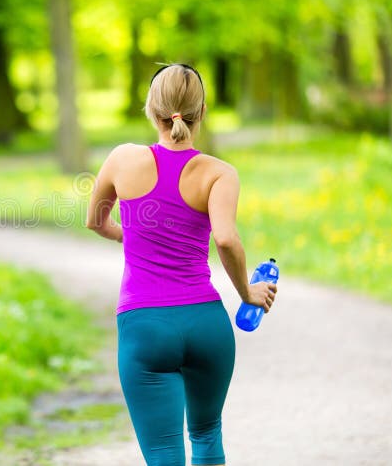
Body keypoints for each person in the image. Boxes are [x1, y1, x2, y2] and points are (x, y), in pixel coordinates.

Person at [85, 63, 277, 466]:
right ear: (202, 112)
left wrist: (131, 234)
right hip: (206, 325)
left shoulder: (122, 159)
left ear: (150, 111)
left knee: (163, 453)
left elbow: (95, 221)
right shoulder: (219, 173)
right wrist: (248, 293)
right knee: (207, 436)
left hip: (145, 326)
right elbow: (225, 238)